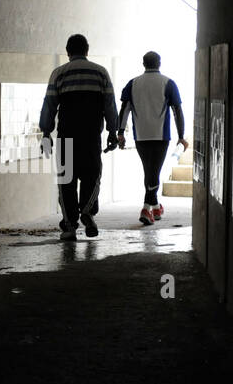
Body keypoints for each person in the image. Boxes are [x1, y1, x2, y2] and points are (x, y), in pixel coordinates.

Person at [39, 34, 118, 240]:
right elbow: (110, 104)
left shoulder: (59, 73)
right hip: (91, 136)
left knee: (66, 181)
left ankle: (69, 226)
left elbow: (49, 105)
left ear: (68, 52)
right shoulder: (101, 73)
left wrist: (46, 133)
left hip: (66, 136)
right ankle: (88, 212)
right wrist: (112, 131)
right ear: (87, 51)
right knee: (92, 177)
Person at [116, 51, 188, 225]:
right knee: (153, 172)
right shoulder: (168, 83)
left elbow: (124, 110)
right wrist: (181, 136)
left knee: (150, 171)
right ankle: (146, 209)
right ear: (159, 63)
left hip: (140, 136)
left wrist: (120, 133)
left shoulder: (132, 83)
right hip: (161, 136)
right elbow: (177, 111)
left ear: (143, 64)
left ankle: (155, 206)